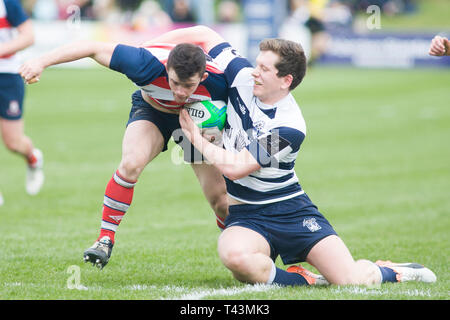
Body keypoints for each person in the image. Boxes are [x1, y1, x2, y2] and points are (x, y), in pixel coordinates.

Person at [174, 25, 436, 286]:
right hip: (247, 214)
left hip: (291, 211)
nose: (255, 72)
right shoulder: (241, 75)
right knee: (236, 259)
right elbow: (205, 34)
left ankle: (390, 271)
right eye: (257, 64)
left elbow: (236, 168)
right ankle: (306, 280)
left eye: (264, 69)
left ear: (286, 80)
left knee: (350, 280)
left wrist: (195, 138)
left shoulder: (290, 126)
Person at [19, 39, 229, 268]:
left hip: (195, 126)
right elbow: (92, 47)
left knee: (221, 201)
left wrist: (221, 134)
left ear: (203, 78)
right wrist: (41, 61)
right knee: (131, 163)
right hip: (154, 111)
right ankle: (104, 240)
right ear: (167, 68)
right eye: (175, 82)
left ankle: (241, 246)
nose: (179, 92)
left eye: (188, 86)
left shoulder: (221, 80)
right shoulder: (144, 64)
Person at [0, 0, 44, 205]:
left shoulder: (7, 3)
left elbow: (28, 36)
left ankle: (33, 158)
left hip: (7, 77)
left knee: (13, 143)